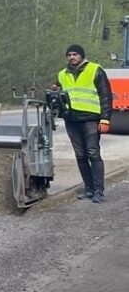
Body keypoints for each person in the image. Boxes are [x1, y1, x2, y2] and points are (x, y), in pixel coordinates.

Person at [54, 44, 112, 203]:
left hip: (91, 119)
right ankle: (89, 188)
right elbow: (56, 92)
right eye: (69, 55)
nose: (72, 57)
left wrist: (105, 118)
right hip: (71, 120)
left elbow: (105, 95)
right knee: (80, 155)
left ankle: (99, 191)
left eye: (74, 54)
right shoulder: (62, 74)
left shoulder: (95, 70)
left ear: (81, 55)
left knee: (93, 153)